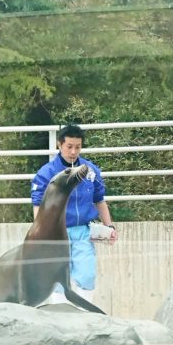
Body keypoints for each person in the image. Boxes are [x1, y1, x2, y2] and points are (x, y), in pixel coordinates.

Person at [30, 123, 117, 304]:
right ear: (59, 145)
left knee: (87, 274)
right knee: (58, 277)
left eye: (77, 147)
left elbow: (99, 199)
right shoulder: (47, 173)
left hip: (83, 231)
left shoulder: (90, 170)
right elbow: (38, 204)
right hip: (57, 232)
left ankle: (85, 315)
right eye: (69, 146)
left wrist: (109, 226)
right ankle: (62, 317)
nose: (73, 151)